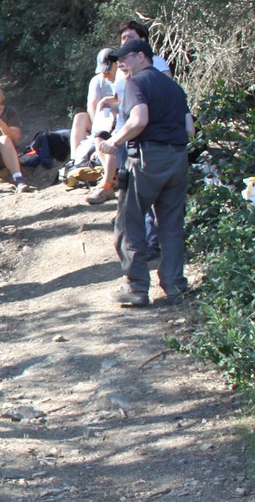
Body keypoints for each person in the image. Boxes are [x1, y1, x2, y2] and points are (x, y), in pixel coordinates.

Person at [96, 38, 193, 306]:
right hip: (178, 158)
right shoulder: (174, 87)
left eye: (125, 59)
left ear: (142, 56)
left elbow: (139, 120)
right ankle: (175, 285)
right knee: (171, 224)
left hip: (148, 159)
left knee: (129, 221)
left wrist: (113, 142)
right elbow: (190, 129)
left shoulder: (136, 83)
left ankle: (136, 287)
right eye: (118, 61)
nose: (120, 65)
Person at [77, 48, 127, 205]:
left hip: (129, 128)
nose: (105, 74)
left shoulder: (125, 77)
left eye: (107, 69)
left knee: (111, 140)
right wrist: (107, 103)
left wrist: (113, 108)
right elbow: (116, 101)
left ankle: (106, 184)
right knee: (100, 137)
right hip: (116, 125)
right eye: (102, 71)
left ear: (117, 64)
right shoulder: (111, 80)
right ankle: (111, 179)